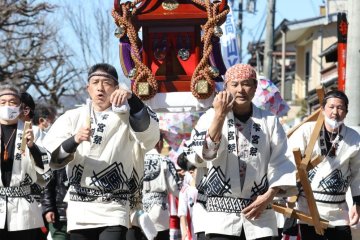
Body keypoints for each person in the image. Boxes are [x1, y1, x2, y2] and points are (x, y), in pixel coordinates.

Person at [43, 63, 160, 240]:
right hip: (79, 205)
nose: (100, 87)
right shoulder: (72, 117)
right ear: (87, 88)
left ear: (116, 88)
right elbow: (52, 158)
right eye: (95, 82)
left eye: (106, 83)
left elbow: (150, 137)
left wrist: (133, 99)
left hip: (114, 204)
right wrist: (74, 140)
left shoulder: (127, 116)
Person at [187, 63, 297, 239]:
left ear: (254, 87)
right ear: (226, 87)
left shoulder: (269, 121)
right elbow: (203, 155)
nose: (240, 89)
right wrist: (219, 116)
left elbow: (282, 161)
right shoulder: (209, 117)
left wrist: (269, 196)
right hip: (219, 219)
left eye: (246, 84)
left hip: (260, 216)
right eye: (235, 84)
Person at [288, 90, 360, 240]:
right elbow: (289, 162)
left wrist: (357, 203)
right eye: (331, 107)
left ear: (346, 112)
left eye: (340, 108)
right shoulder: (307, 131)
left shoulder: (354, 138)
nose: (335, 112)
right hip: (308, 208)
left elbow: (358, 174)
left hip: (339, 210)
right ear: (322, 109)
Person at [0, 83, 50, 239]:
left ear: (21, 107)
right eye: (3, 103)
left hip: (24, 208)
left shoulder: (32, 131)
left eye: (13, 102)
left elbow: (46, 169)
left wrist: (32, 146)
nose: (8, 106)